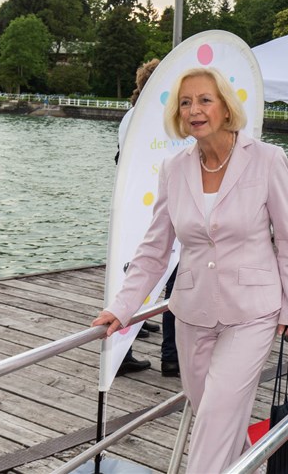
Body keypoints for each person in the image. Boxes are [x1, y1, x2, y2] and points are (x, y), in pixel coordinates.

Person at [93, 66, 288, 473]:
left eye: (205, 99)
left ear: (226, 108)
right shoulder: (174, 168)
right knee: (217, 416)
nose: (195, 109)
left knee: (214, 418)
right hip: (191, 314)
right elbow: (155, 249)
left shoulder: (266, 159)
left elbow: (287, 238)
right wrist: (122, 308)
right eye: (186, 102)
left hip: (253, 312)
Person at [115, 59, 162, 377]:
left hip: (137, 201)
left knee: (135, 268)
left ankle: (135, 324)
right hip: (144, 204)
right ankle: (124, 348)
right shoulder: (146, 118)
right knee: (137, 269)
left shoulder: (133, 115)